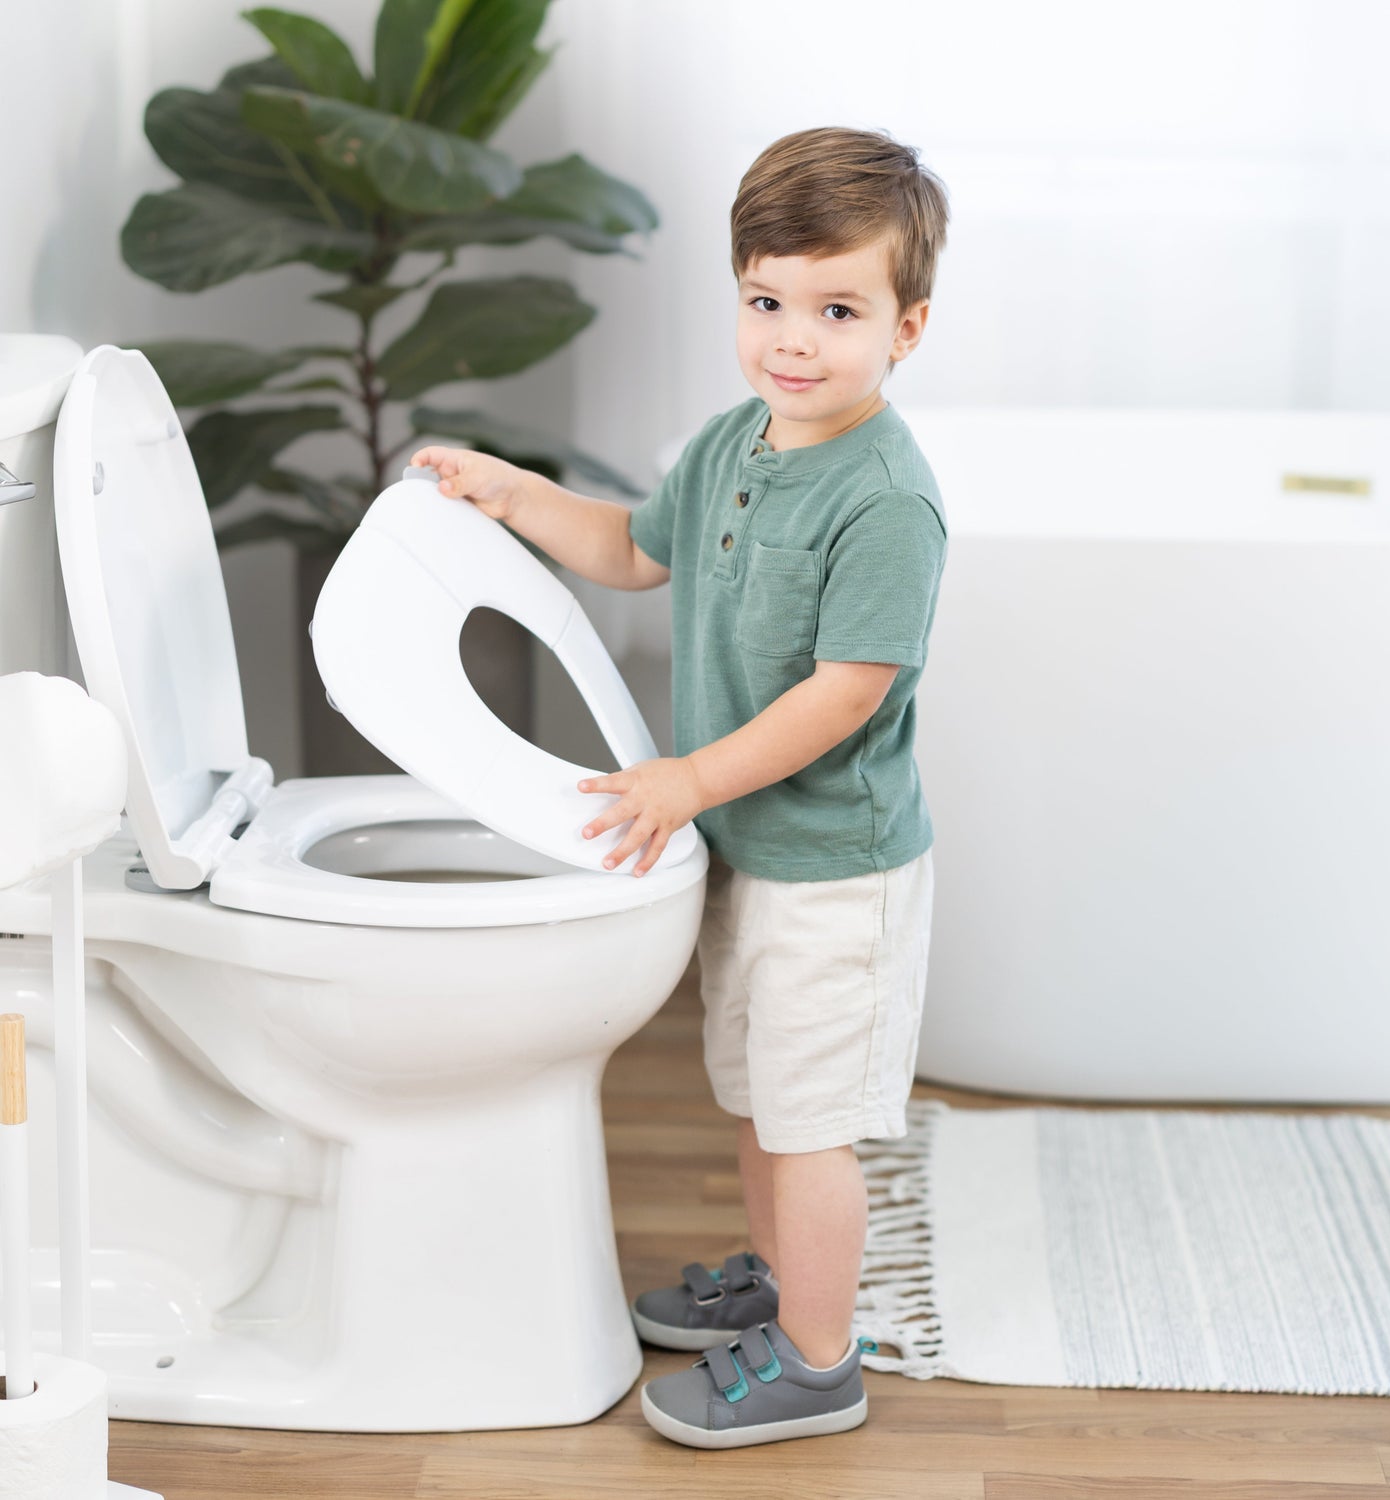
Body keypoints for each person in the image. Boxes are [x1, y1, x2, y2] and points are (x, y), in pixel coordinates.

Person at [411, 124, 949, 1449]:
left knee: (811, 1122)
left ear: (908, 326)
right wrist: (514, 494)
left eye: (837, 311)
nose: (793, 340)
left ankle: (820, 1358)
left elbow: (847, 692)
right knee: (763, 1097)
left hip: (837, 870)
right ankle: (779, 1286)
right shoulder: (730, 444)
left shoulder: (887, 499)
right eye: (767, 302)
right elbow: (632, 550)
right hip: (748, 847)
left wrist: (686, 779)